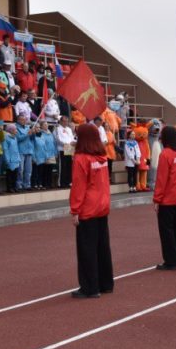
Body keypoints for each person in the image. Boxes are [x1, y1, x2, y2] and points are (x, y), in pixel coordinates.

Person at [69, 122, 114, 298]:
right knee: (103, 246)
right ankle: (106, 283)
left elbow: (79, 187)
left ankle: (90, 287)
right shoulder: (101, 157)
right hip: (102, 205)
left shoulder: (81, 158)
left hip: (88, 207)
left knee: (87, 248)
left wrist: (75, 210)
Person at [153, 125, 176, 270]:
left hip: (168, 199)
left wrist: (157, 199)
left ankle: (171, 260)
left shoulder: (166, 154)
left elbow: (162, 179)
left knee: (167, 230)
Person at [32, 120, 57, 190]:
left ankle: (48, 183)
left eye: (47, 125)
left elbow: (52, 143)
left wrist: (55, 152)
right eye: (44, 125)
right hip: (40, 155)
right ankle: (42, 183)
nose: (46, 126)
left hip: (48, 154)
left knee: (49, 170)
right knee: (41, 171)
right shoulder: (41, 134)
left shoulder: (50, 134)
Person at [55, 116, 75, 188]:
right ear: (60, 121)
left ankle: (68, 182)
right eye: (64, 121)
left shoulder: (69, 129)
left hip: (69, 148)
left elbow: (71, 138)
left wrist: (73, 143)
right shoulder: (57, 128)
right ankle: (61, 183)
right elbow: (58, 139)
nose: (66, 123)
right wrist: (67, 144)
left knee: (69, 166)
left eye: (67, 121)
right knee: (62, 166)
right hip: (62, 149)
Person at [15, 114, 33, 191]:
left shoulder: (28, 127)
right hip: (21, 151)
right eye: (22, 120)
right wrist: (27, 134)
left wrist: (33, 134)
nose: (24, 121)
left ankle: (27, 185)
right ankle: (19, 185)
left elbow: (32, 138)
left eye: (25, 120)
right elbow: (18, 138)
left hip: (29, 150)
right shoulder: (15, 128)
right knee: (20, 170)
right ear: (18, 120)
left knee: (28, 170)